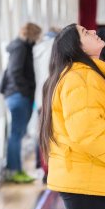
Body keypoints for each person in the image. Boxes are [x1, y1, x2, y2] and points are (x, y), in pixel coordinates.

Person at [39, 24, 105, 209]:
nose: (93, 32)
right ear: (77, 47)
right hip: (89, 177)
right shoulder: (82, 78)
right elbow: (87, 130)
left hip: (93, 174)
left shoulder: (86, 74)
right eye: (85, 33)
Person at [0, 22, 42, 183]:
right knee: (16, 134)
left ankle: (15, 169)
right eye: (37, 36)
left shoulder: (20, 47)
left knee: (17, 133)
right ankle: (14, 170)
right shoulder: (21, 48)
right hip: (18, 96)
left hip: (16, 95)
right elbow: (15, 72)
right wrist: (25, 91)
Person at [33, 26, 61, 182]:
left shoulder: (36, 50)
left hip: (39, 99)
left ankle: (43, 169)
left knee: (42, 135)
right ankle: (53, 169)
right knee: (55, 135)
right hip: (53, 96)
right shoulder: (58, 49)